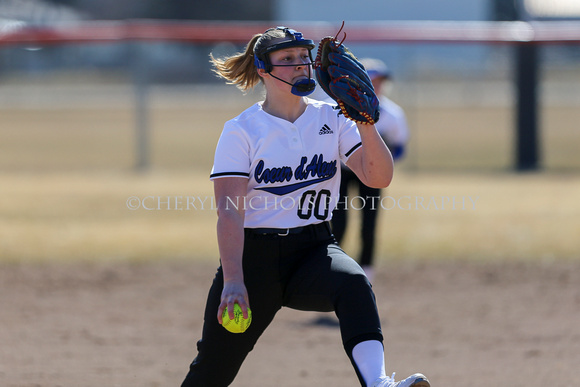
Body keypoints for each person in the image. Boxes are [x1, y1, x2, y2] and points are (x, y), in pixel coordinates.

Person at [180, 27, 429, 387]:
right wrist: (234, 280)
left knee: (355, 284)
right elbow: (230, 211)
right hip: (254, 262)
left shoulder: (332, 117)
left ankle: (379, 384)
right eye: (287, 59)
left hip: (314, 250)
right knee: (211, 370)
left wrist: (366, 124)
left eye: (302, 57)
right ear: (263, 69)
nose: (300, 66)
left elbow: (379, 177)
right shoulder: (243, 130)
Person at [331, 58, 410, 283]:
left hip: (373, 177)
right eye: (371, 80)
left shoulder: (393, 114)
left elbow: (400, 146)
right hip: (343, 173)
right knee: (338, 223)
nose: (376, 86)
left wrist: (382, 162)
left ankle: (367, 274)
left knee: (369, 224)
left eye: (380, 81)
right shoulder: (338, 109)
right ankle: (333, 270)